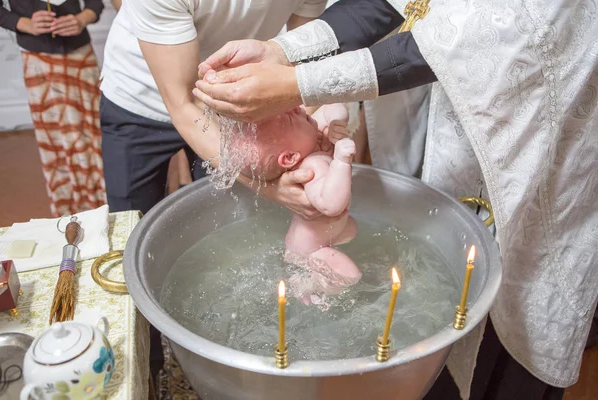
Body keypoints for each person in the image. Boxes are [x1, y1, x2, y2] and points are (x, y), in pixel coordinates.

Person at [192, 1, 598, 399]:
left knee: (510, 312)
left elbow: (471, 36)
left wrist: (297, 83)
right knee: (430, 309)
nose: (300, 112)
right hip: (438, 134)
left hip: (530, 129)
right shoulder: (307, 161)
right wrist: (282, 51)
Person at [100, 0, 329, 217]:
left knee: (228, 216)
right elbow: (184, 104)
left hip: (235, 100)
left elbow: (302, 64)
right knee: (131, 219)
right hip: (138, 97)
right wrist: (270, 189)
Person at [0, 0, 106, 217]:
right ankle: (68, 212)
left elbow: (96, 4)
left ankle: (105, 206)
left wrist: (81, 19)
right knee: (55, 140)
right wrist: (24, 23)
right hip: (38, 61)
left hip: (80, 56)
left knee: (95, 132)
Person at [248, 104, 361, 304]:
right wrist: (341, 162)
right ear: (290, 157)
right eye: (290, 117)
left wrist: (336, 123)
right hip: (311, 252)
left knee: (352, 230)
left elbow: (333, 109)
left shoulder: (310, 139)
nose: (296, 109)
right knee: (350, 277)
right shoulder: (310, 167)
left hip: (325, 235)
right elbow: (331, 205)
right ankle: (307, 284)